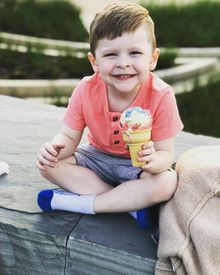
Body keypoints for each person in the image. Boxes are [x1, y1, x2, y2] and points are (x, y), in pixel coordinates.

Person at [36, 2, 183, 229]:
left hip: (137, 166)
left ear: (152, 58)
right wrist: (54, 148)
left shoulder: (161, 95)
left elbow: (165, 153)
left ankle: (85, 204)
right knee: (48, 165)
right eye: (111, 54)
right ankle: (130, 204)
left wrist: (153, 161)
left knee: (166, 182)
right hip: (96, 158)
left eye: (134, 53)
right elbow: (69, 137)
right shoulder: (86, 90)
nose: (123, 63)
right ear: (94, 62)